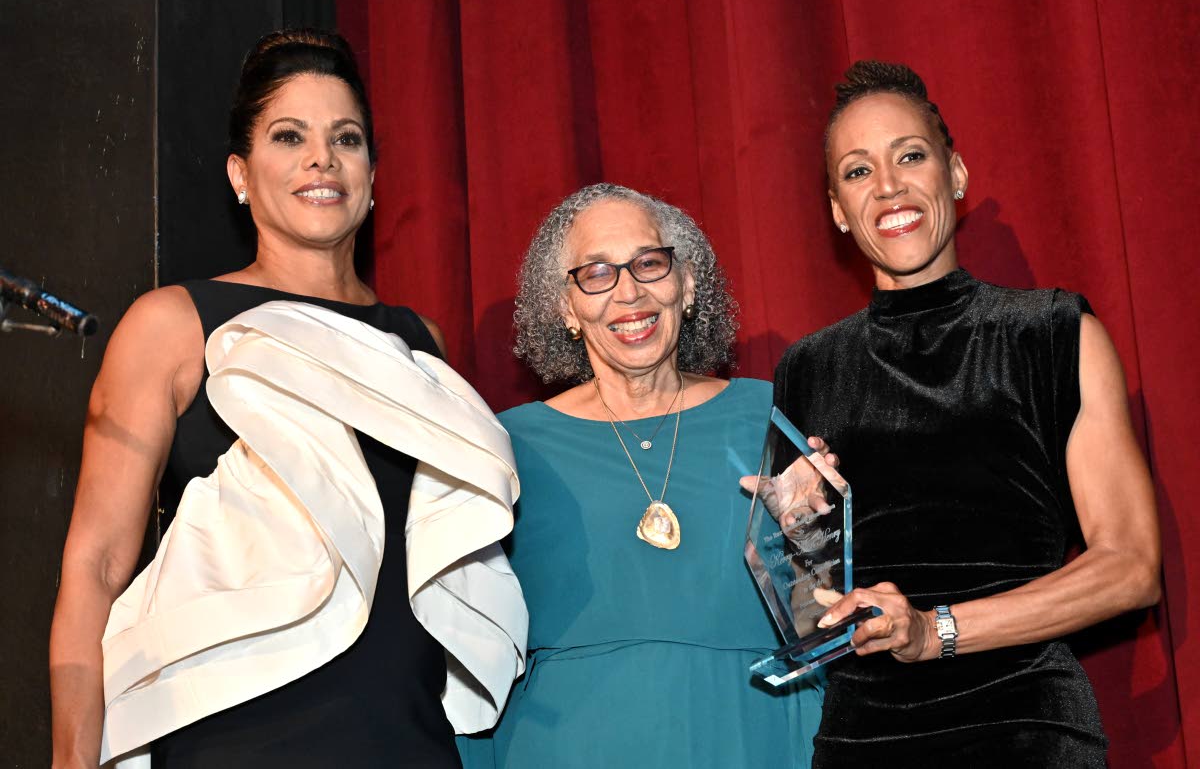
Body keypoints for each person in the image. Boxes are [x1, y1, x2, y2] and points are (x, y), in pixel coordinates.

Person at [49, 29, 524, 769]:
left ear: (372, 175)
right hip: (236, 737)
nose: (320, 159)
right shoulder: (172, 324)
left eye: (346, 138)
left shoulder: (419, 341)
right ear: (240, 174)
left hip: (405, 739)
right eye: (288, 136)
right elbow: (97, 563)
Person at [776, 61, 1161, 766]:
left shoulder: (1054, 332)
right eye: (858, 172)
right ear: (836, 208)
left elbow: (1131, 567)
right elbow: (815, 613)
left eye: (910, 156)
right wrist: (799, 535)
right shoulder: (805, 370)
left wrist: (935, 629)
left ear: (955, 173)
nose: (889, 186)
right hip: (865, 740)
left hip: (1027, 729)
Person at [457, 183, 825, 768]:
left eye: (649, 264)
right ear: (565, 307)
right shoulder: (504, 444)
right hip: (567, 744)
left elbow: (819, 610)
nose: (629, 292)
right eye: (596, 273)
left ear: (687, 284)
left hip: (754, 734)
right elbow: (466, 630)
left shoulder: (769, 414)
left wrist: (811, 538)